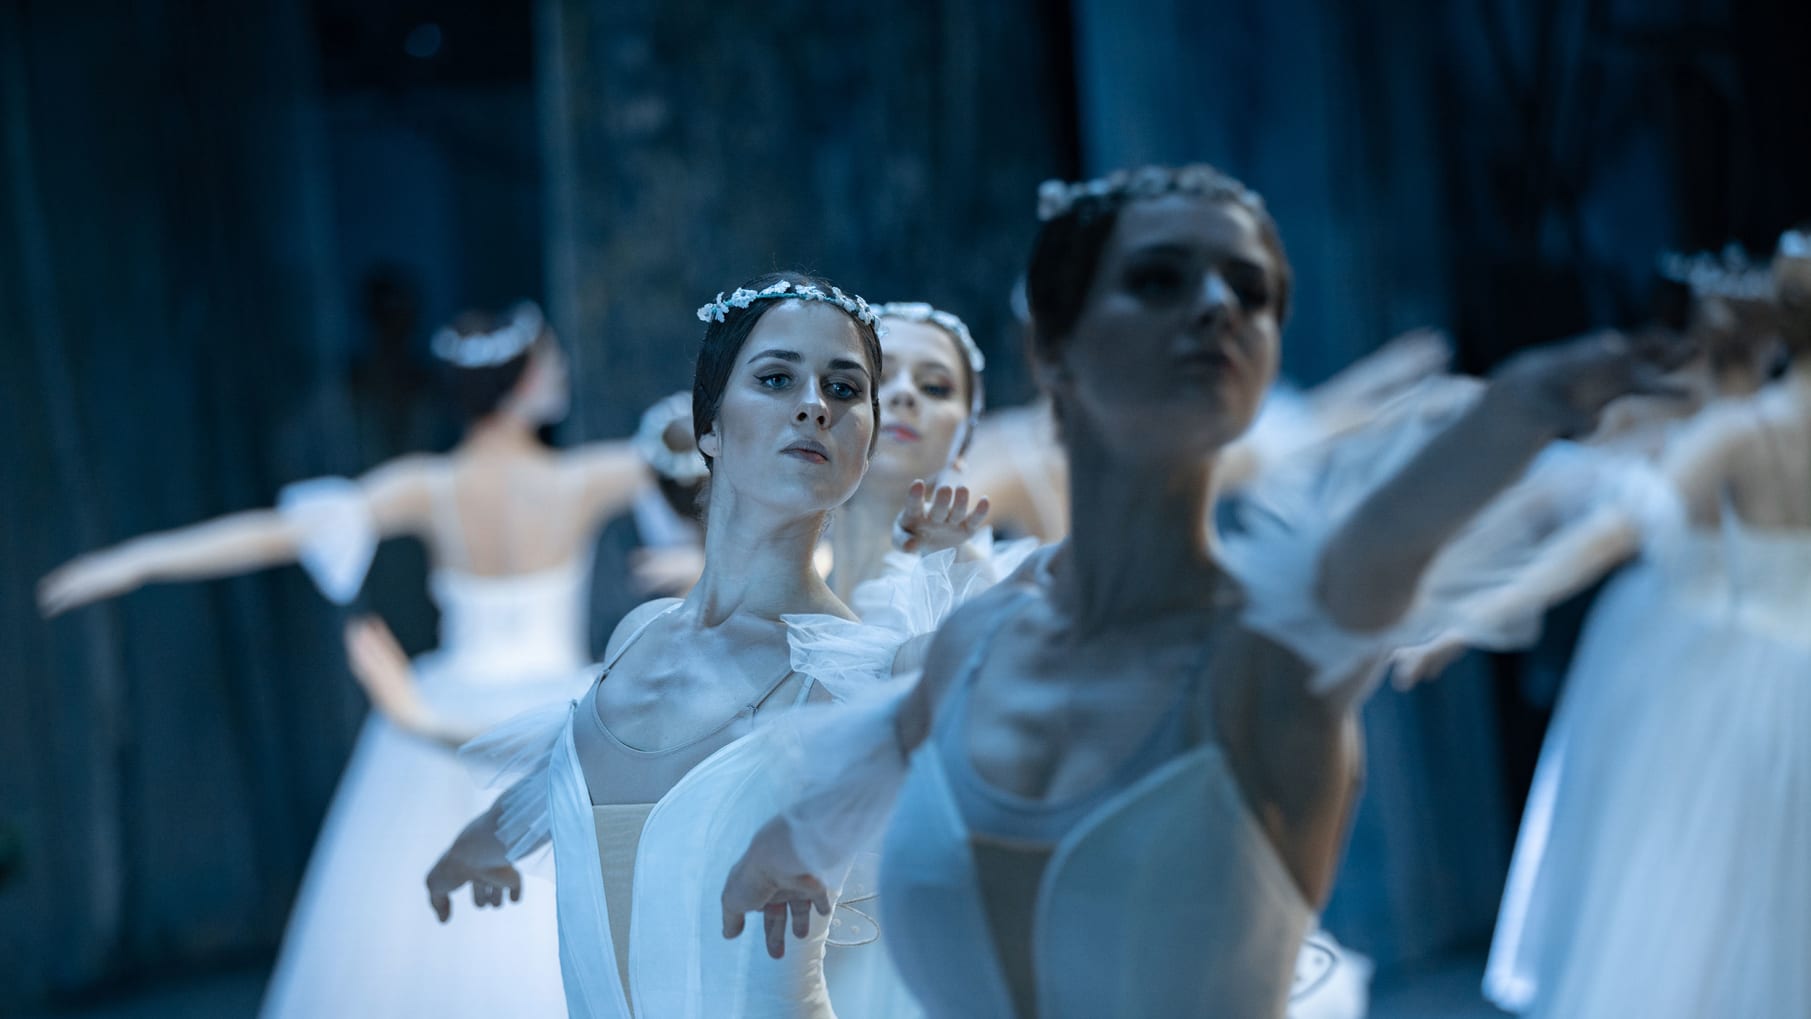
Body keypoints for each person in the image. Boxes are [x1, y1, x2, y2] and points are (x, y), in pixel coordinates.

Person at [720, 164, 1685, 1018]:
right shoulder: (974, 644)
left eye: (1252, 290)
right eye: (1157, 279)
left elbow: (1384, 542)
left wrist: (1525, 407)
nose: (1218, 305)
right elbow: (829, 803)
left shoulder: (1272, 655)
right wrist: (782, 848)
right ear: (1051, 347)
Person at [38, 301, 655, 1017]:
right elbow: (723, 462)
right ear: (521, 383)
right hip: (550, 708)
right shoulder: (584, 477)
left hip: (446, 709)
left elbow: (277, 532)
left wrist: (138, 558)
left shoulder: (431, 486)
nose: (563, 372)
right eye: (551, 360)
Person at [423, 273, 892, 1018]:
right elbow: (581, 780)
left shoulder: (851, 675)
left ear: (865, 442)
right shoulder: (638, 637)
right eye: (776, 378)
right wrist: (484, 836)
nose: (815, 404)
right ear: (707, 425)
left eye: (845, 388)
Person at [1397, 231, 1811, 1017]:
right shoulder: (1724, 424)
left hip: (1753, 689)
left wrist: (1473, 616)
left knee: (1725, 910)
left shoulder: (1740, 430)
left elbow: (1607, 534)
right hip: (1756, 667)